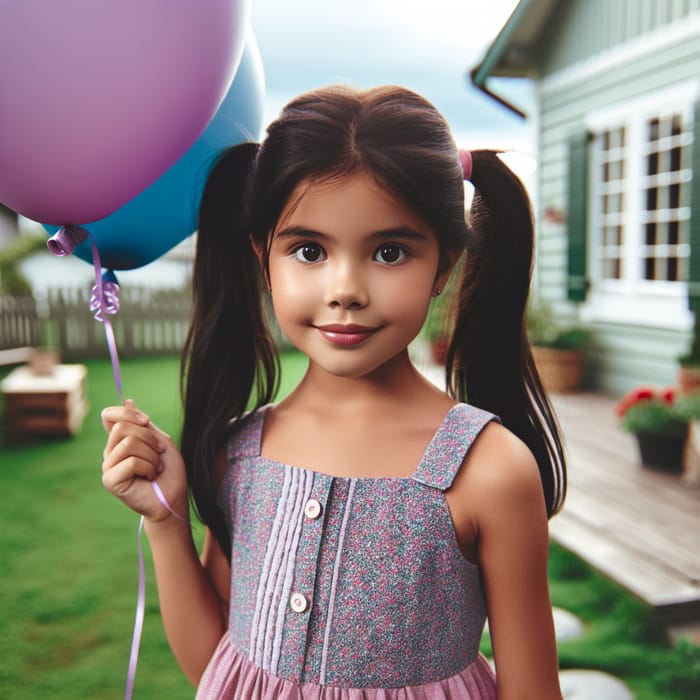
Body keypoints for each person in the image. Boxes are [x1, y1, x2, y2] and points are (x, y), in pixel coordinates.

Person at [101, 84, 567, 699]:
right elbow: (219, 667)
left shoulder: (490, 469)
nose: (345, 288)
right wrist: (165, 521)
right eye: (310, 250)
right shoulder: (239, 452)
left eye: (390, 251)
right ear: (262, 257)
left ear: (444, 268)